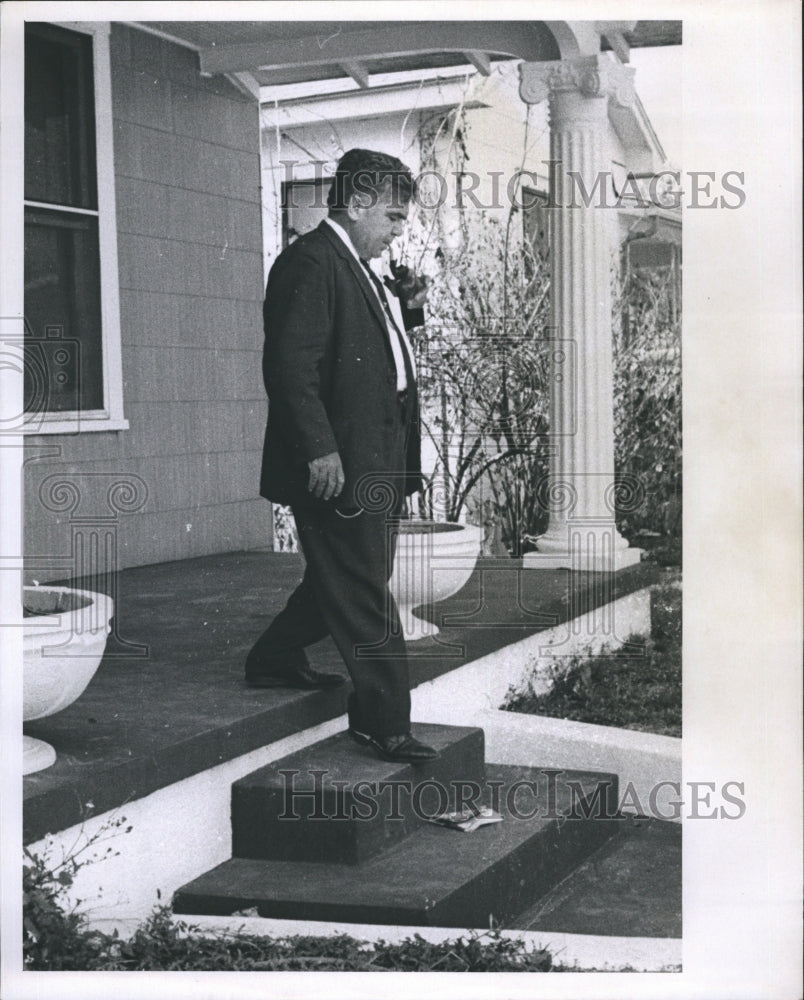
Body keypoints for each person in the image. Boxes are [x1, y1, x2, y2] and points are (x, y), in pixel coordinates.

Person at [245, 148, 437, 764]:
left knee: (355, 576)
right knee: (363, 590)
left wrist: (408, 305)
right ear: (356, 205)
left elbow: (375, 355)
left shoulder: (356, 264)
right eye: (393, 215)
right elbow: (289, 369)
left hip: (376, 456)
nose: (399, 228)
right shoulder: (310, 261)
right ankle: (383, 722)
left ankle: (273, 657)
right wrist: (319, 450)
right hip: (339, 462)